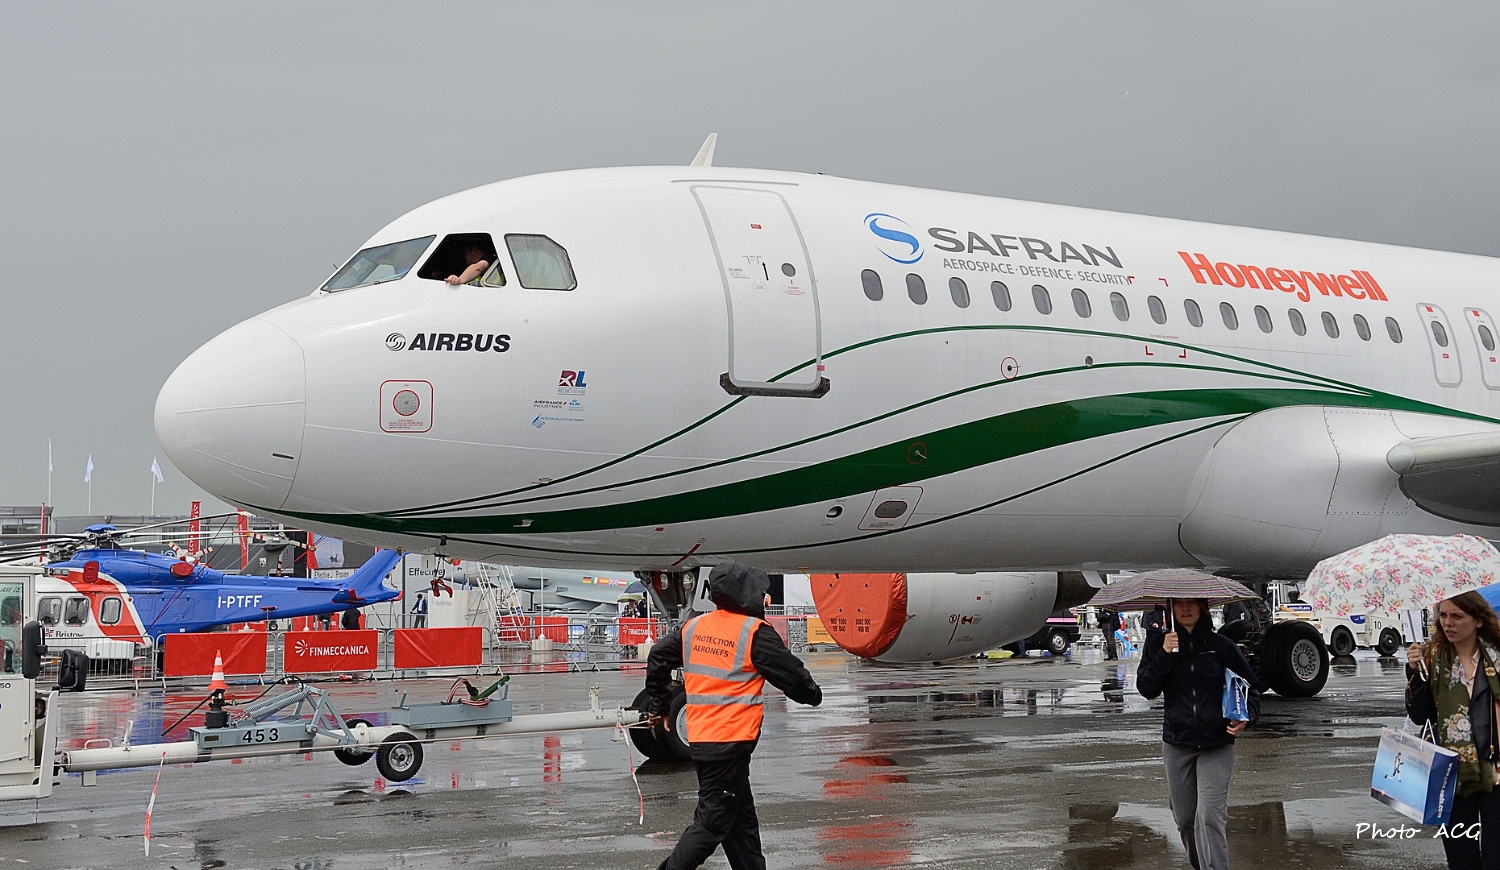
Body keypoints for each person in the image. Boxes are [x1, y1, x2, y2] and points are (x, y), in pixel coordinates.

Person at [644, 562, 823, 870]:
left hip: (704, 741)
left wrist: (660, 705)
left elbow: (658, 655)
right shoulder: (753, 633)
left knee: (741, 826)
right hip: (729, 744)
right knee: (711, 824)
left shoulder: (695, 627)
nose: (764, 598)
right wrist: (813, 695)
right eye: (760, 592)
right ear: (746, 594)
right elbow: (795, 679)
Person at [1137, 598, 1260, 870]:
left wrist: (1247, 716)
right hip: (1177, 744)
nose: (1185, 608)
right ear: (1170, 608)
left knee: (1210, 817)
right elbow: (1146, 688)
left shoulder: (1221, 645)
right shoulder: (1159, 644)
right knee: (1185, 820)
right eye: (1178, 603)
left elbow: (1250, 686)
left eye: (1191, 602)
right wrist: (1164, 653)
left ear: (1202, 607)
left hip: (1217, 743)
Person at [1405, 591, 1500, 869]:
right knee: (1461, 860)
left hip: (1496, 770)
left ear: (1478, 620)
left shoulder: (1496, 655)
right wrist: (1414, 673)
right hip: (1451, 774)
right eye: (1443, 615)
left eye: (1457, 616)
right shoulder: (1430, 657)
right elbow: (1419, 715)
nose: (1448, 622)